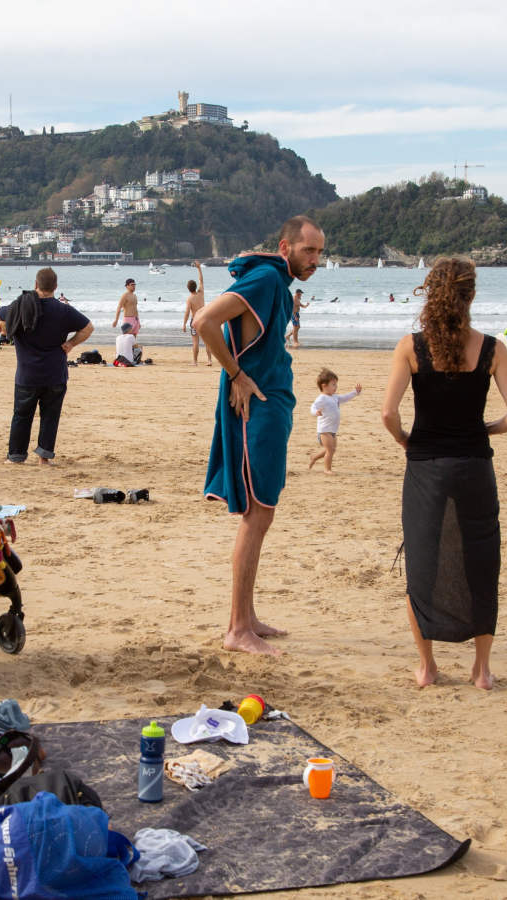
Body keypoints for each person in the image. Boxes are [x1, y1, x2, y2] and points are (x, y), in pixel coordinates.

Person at [380, 257, 507, 689]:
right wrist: (484, 429)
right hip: (475, 464)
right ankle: (480, 670)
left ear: (430, 294)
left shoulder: (411, 346)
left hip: (425, 465)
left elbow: (387, 413)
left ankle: (427, 667)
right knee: (482, 559)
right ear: (471, 296)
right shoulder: (493, 348)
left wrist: (408, 439)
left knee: (423, 561)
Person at [196, 215, 325, 655]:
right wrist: (236, 375)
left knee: (261, 514)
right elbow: (205, 321)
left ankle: (247, 617)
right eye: (309, 251)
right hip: (259, 411)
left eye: (320, 252)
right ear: (286, 247)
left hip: (271, 406)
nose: (316, 260)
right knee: (257, 516)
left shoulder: (276, 282)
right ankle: (236, 630)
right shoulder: (268, 279)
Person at [0, 267, 93, 465]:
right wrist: (71, 344)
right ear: (55, 286)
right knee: (50, 416)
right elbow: (88, 328)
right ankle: (44, 457)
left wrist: (8, 327)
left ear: (35, 285)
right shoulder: (63, 310)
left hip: (27, 374)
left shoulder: (20, 306)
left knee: (22, 415)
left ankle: (16, 456)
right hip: (55, 373)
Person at [307, 368, 361, 474]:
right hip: (324, 431)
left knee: (331, 449)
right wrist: (315, 412)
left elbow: (345, 397)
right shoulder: (321, 398)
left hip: (333, 431)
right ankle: (327, 469)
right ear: (324, 385)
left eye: (336, 384)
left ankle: (314, 457)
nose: (336, 387)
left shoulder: (335, 397)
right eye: (333, 384)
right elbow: (313, 406)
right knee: (330, 450)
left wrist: (355, 392)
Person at [182, 262, 212, 366]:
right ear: (195, 287)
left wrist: (184, 324)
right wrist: (199, 268)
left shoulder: (190, 299)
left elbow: (187, 313)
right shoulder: (201, 292)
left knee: (195, 342)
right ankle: (209, 360)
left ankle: (195, 361)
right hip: (204, 319)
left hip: (195, 320)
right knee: (207, 341)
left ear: (188, 288)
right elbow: (201, 280)